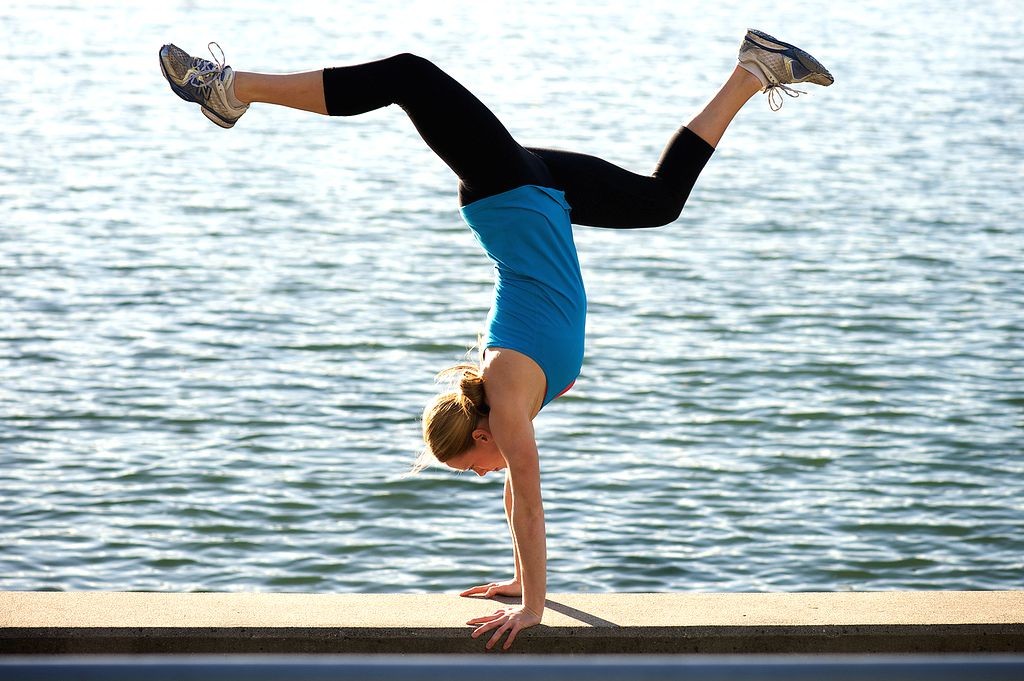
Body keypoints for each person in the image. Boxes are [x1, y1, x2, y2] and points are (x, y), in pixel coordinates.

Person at [158, 29, 833, 651]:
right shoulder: (507, 406)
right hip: (543, 194)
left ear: (482, 433)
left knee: (407, 75)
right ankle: (753, 69)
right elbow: (518, 496)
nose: (485, 475)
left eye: (472, 467)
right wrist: (517, 579)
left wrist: (534, 606)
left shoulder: (508, 389)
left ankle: (226, 88)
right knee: (660, 201)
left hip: (507, 190)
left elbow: (530, 500)